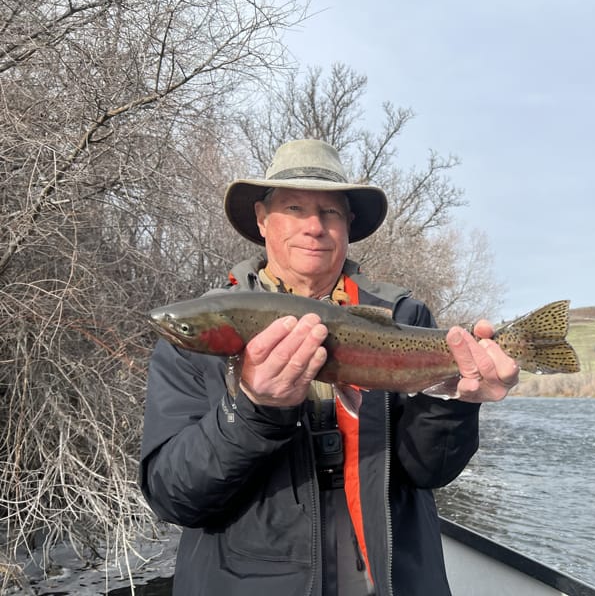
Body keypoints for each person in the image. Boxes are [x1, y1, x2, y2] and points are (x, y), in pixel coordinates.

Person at [139, 139, 519, 596]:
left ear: (348, 225)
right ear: (262, 219)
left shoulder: (403, 316)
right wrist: (254, 410)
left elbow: (427, 471)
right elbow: (172, 495)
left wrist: (454, 396)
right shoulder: (200, 331)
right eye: (295, 207)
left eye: (331, 212)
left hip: (388, 575)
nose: (314, 227)